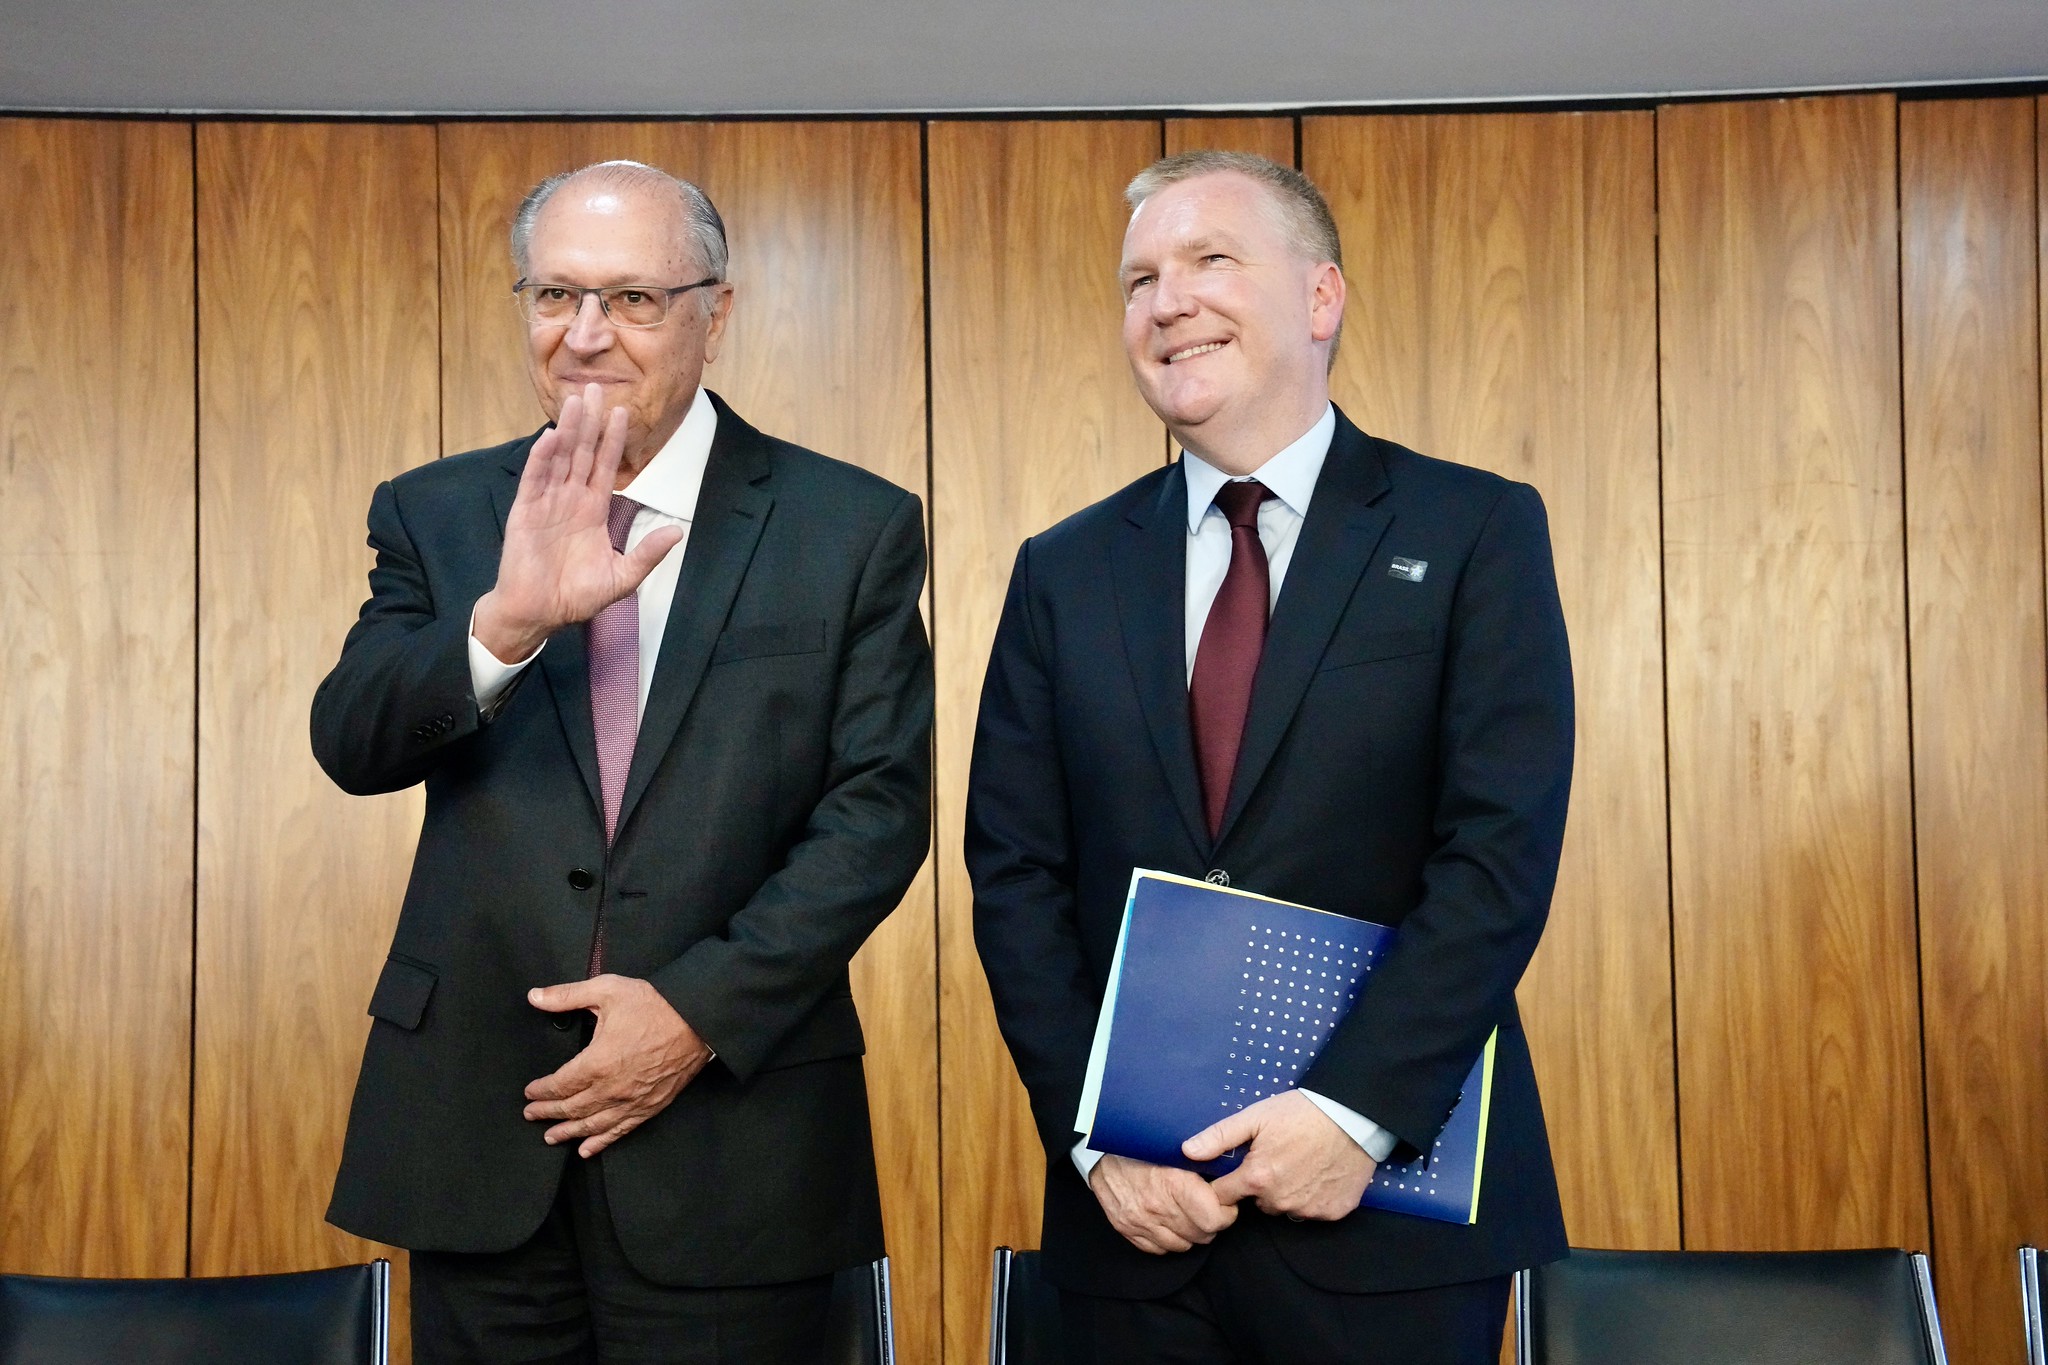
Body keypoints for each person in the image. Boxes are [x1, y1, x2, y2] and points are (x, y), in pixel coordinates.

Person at [311, 159, 932, 1364]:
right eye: (556, 296)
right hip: (479, 1132)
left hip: (734, 1139)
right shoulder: (437, 511)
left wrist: (694, 1013)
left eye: (633, 299)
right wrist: (503, 626)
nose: (585, 334)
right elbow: (352, 742)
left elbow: (874, 815)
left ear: (715, 311)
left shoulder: (848, 525)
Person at [966, 150, 1574, 1364]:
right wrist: (1095, 1142)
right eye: (1139, 279)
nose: (1167, 301)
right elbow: (1015, 874)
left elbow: (1496, 854)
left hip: (1387, 1220)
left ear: (1319, 297)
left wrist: (1353, 1116)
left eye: (1209, 260)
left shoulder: (1472, 528)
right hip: (1134, 1229)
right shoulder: (1062, 571)